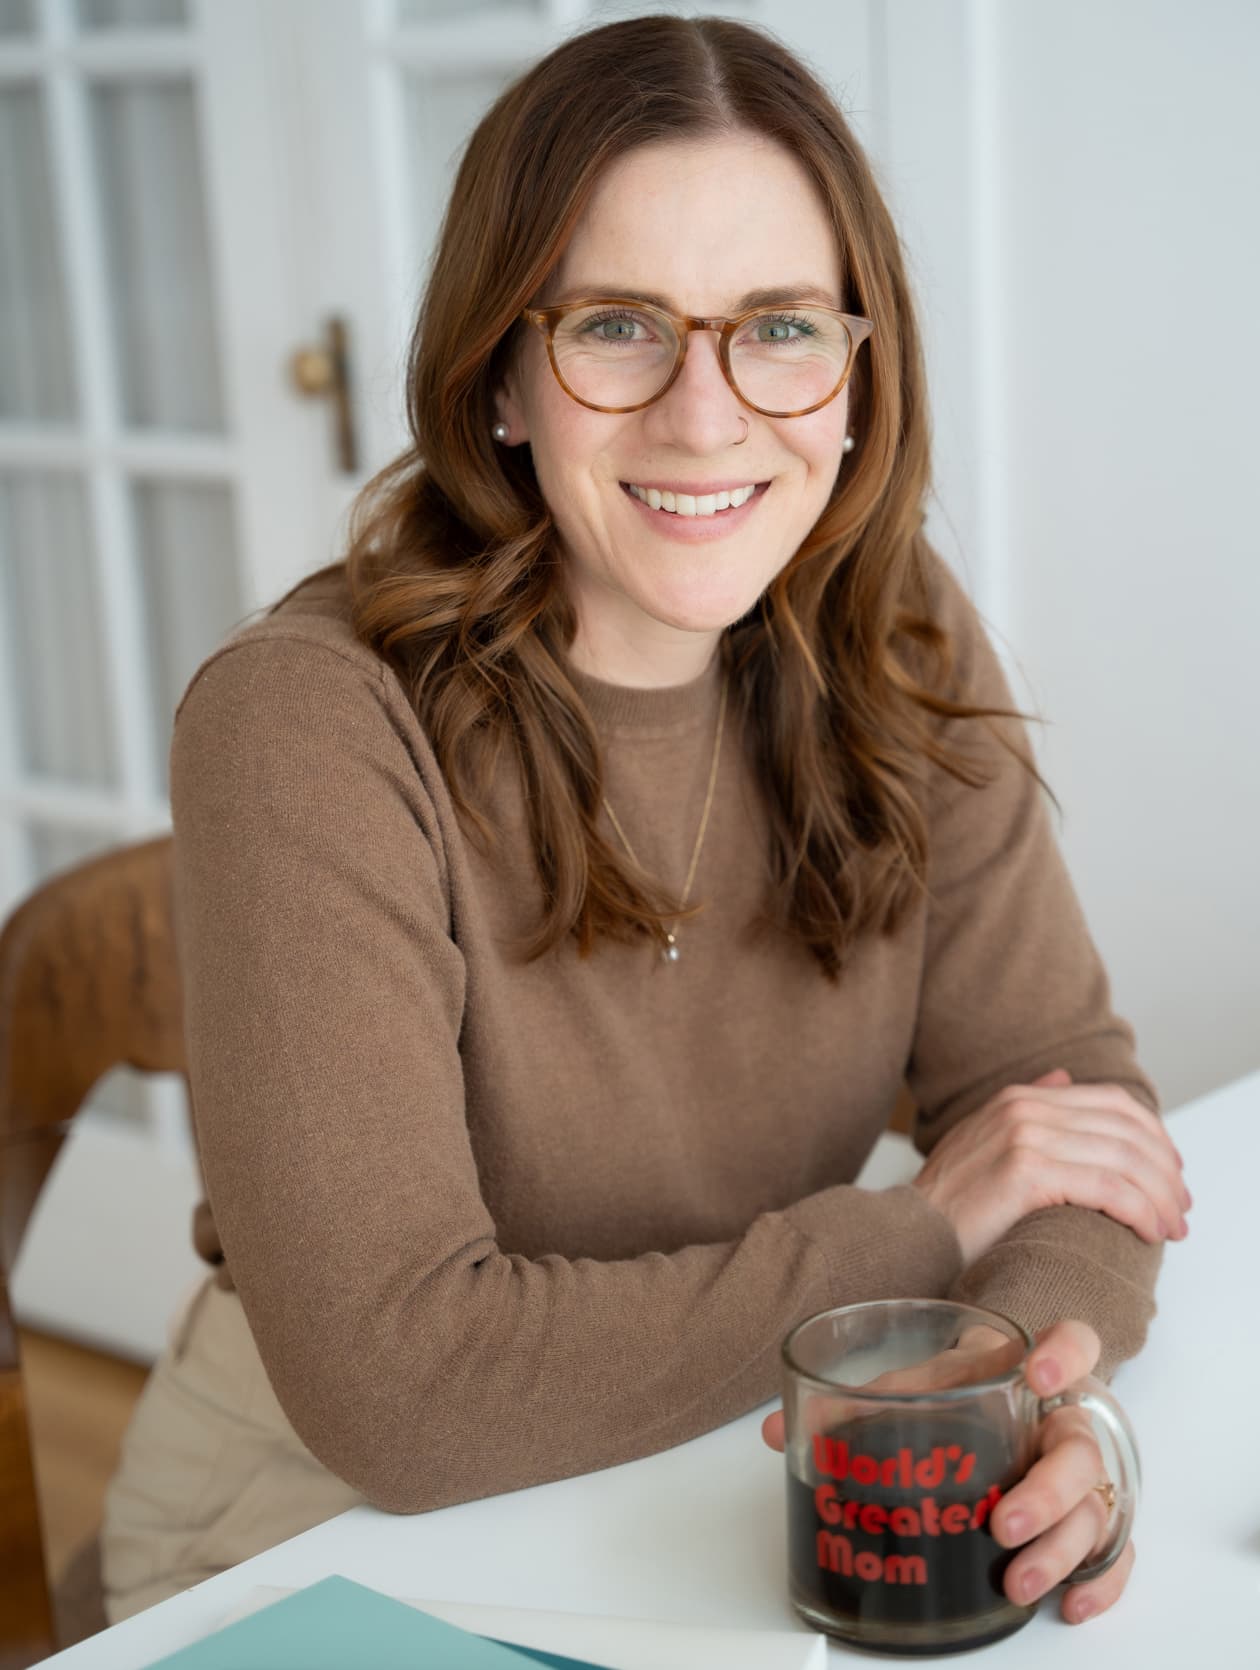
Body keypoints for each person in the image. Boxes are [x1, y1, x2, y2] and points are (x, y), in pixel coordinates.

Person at [101, 12, 1189, 1630]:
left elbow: (1068, 1109)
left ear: (855, 373)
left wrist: (1034, 1397)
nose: (705, 414)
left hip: (713, 1453)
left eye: (780, 327)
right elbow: (402, 1390)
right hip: (317, 1521)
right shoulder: (307, 720)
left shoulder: (893, 629)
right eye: (617, 326)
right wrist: (917, 1233)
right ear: (502, 375)